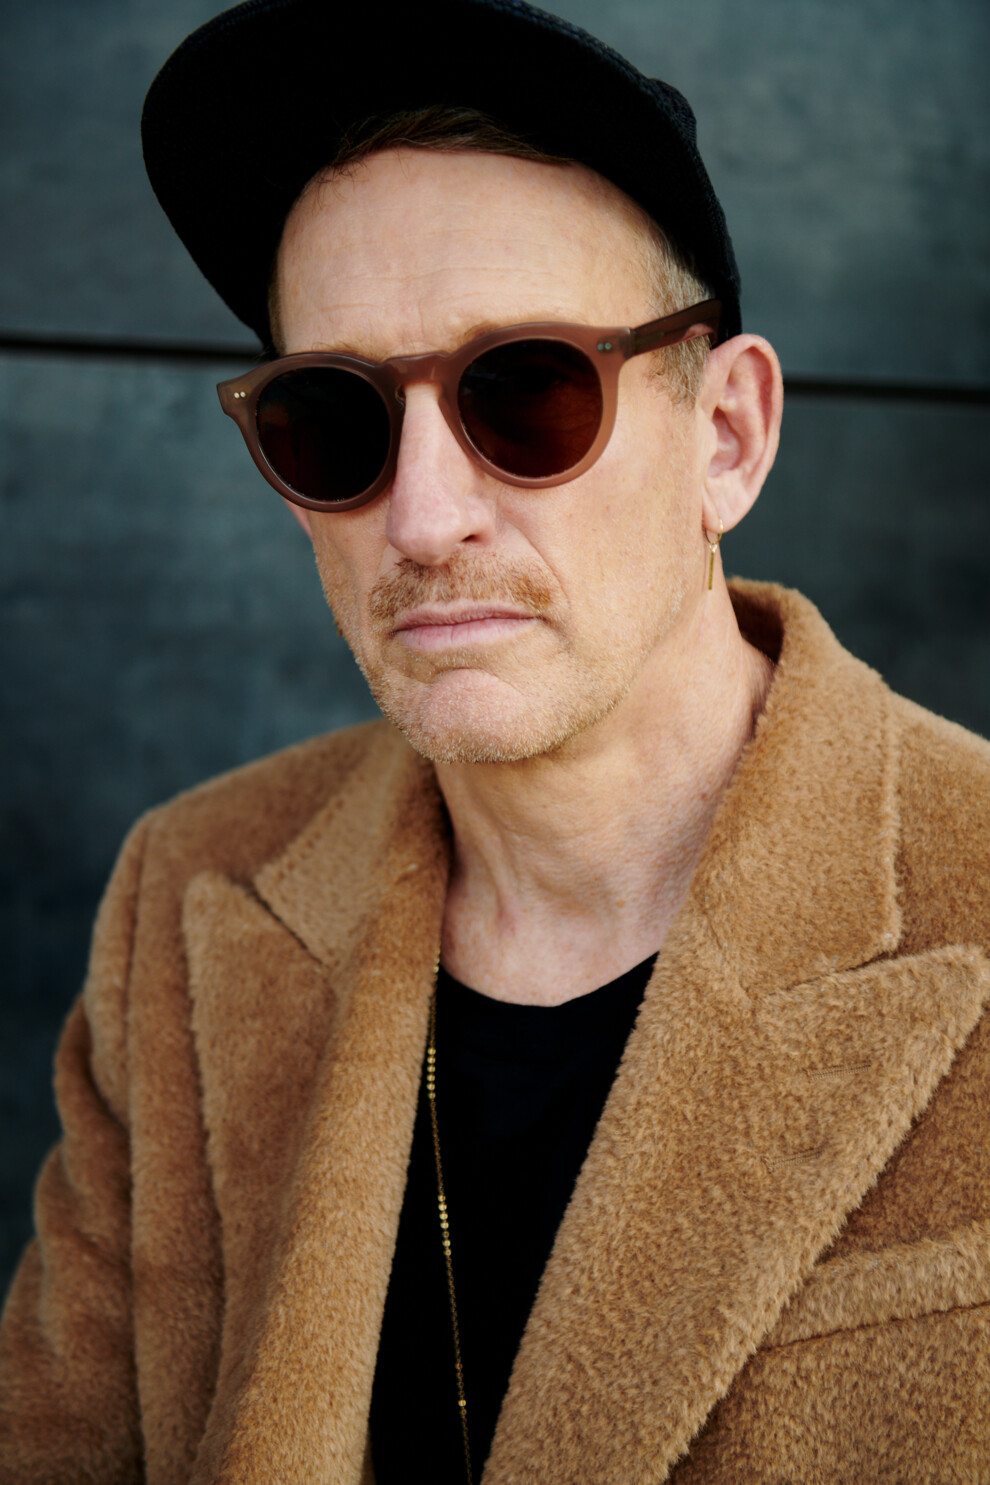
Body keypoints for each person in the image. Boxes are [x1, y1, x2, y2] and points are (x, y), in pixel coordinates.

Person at [1, 1, 988, 1481]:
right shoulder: (186, 897)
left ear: (726, 436)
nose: (420, 515)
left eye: (526, 391)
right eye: (332, 417)